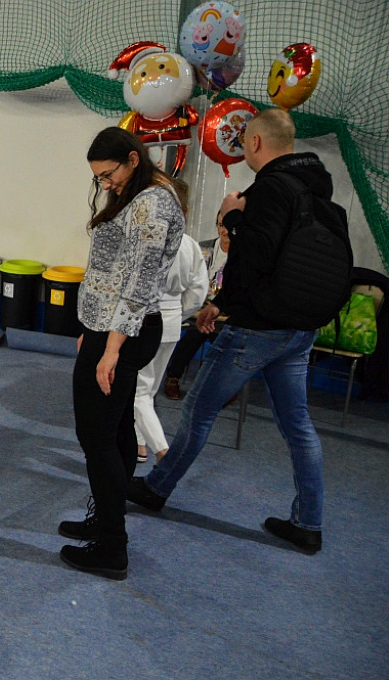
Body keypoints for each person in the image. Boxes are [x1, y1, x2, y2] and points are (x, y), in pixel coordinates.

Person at [128, 108, 333, 554]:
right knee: (299, 426)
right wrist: (219, 304)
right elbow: (280, 264)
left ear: (256, 143)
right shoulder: (317, 190)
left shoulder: (268, 191)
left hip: (257, 330)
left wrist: (233, 216)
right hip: (299, 331)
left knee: (199, 412)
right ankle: (309, 522)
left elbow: (253, 259)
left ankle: (156, 490)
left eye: (244, 143)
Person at [57, 127, 184, 580]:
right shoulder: (138, 193)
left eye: (108, 174)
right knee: (113, 432)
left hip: (123, 333)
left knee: (96, 437)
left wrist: (109, 347)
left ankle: (112, 546)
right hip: (109, 330)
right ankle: (105, 519)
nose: (104, 184)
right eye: (98, 179)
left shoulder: (152, 202)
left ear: (133, 160)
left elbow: (140, 281)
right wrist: (91, 331)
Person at [133, 179, 208, 464]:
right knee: (148, 389)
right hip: (172, 321)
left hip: (143, 320)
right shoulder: (190, 245)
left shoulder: (147, 239)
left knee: (139, 390)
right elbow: (197, 295)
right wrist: (178, 313)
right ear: (185, 209)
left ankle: (164, 452)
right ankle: (139, 444)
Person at [162, 211, 231, 400]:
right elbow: (188, 279)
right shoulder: (204, 248)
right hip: (199, 307)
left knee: (223, 336)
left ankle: (225, 387)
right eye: (220, 225)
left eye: (229, 227)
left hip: (227, 312)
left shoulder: (244, 255)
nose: (224, 231)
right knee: (194, 332)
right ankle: (173, 378)